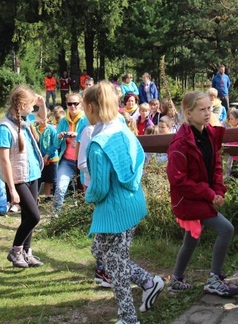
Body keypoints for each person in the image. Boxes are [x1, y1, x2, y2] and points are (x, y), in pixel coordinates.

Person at [83, 81, 165, 322]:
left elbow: (99, 188)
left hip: (115, 213)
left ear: (90, 107)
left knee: (115, 267)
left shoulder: (99, 144)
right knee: (101, 251)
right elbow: (139, 160)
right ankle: (149, 283)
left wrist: (90, 198)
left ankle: (129, 318)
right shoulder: (123, 129)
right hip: (133, 202)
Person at [166, 91, 238, 297]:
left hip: (202, 196)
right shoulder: (180, 143)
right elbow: (178, 179)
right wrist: (208, 194)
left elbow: (215, 166)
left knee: (192, 239)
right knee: (226, 229)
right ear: (189, 114)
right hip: (188, 199)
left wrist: (217, 190)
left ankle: (177, 279)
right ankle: (214, 280)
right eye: (202, 109)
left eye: (209, 108)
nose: (208, 113)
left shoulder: (209, 135)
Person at [0, 85, 47, 268]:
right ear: (23, 104)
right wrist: (12, 190)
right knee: (34, 216)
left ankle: (27, 252)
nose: (33, 109)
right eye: (32, 105)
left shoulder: (24, 120)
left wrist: (42, 104)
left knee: (27, 216)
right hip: (18, 178)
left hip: (32, 174)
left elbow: (43, 119)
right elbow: (4, 160)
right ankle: (15, 251)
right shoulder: (5, 128)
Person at [53, 93, 89, 212]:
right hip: (67, 161)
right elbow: (55, 144)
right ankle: (55, 215)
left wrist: (78, 136)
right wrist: (59, 137)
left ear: (81, 104)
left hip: (83, 161)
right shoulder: (63, 121)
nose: (72, 106)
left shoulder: (86, 119)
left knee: (84, 190)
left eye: (75, 103)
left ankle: (84, 215)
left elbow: (91, 137)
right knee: (60, 188)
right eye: (69, 104)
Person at [34, 109, 60, 200]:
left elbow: (56, 143)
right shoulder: (35, 129)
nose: (41, 121)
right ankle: (35, 196)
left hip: (52, 159)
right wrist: (40, 156)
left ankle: (49, 196)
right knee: (39, 179)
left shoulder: (52, 129)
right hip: (40, 159)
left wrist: (47, 155)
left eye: (44, 119)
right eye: (40, 119)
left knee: (51, 179)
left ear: (48, 118)